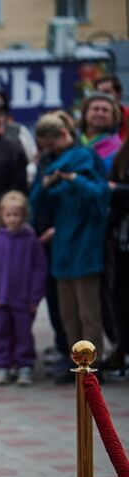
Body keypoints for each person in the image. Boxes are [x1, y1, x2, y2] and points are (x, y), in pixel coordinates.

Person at [30, 112, 110, 384]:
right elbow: (38, 203)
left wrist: (75, 179)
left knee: (88, 312)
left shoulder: (84, 157)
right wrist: (46, 182)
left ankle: (93, 363)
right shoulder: (54, 165)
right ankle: (75, 361)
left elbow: (100, 194)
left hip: (86, 245)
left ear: (62, 135)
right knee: (67, 312)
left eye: (51, 144)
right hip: (63, 246)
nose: (48, 151)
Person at [0, 191, 47, 387]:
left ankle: (24, 366)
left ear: (24, 215)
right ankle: (2, 366)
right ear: (2, 216)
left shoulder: (31, 241)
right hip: (0, 299)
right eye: (8, 215)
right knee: (0, 332)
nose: (12, 219)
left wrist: (35, 297)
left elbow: (39, 270)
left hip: (24, 300)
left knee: (23, 333)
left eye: (16, 215)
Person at [106, 139, 129, 371]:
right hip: (121, 241)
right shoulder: (122, 153)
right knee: (121, 299)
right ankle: (123, 349)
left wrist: (118, 191)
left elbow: (113, 188)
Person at [79, 92, 123, 172]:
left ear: (114, 116)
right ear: (85, 113)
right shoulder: (71, 140)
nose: (100, 113)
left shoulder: (119, 149)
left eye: (105, 110)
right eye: (95, 109)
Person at [94, 74, 129, 141]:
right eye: (98, 93)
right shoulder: (90, 118)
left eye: (107, 92)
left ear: (119, 95)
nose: (102, 96)